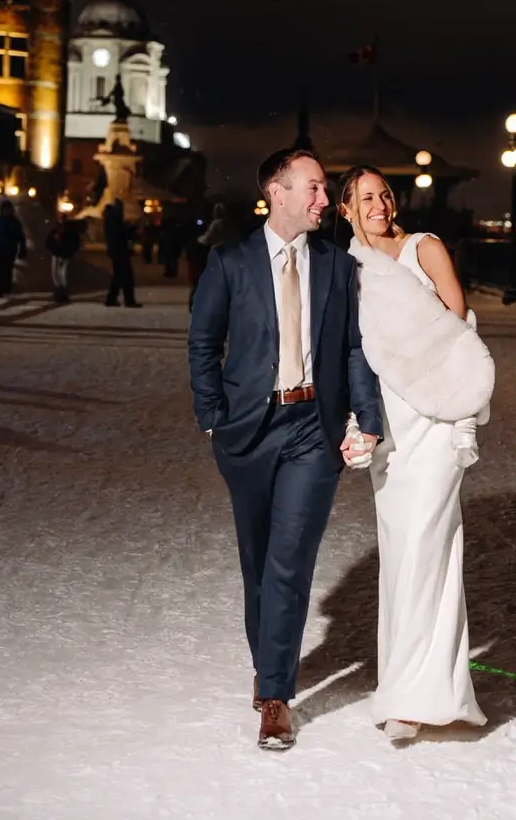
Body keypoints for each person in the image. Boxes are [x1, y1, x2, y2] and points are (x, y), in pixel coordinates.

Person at [188, 149, 383, 750]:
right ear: (278, 190)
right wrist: (214, 419)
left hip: (310, 431)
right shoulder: (229, 263)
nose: (326, 200)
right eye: (317, 189)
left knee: (290, 562)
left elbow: (352, 348)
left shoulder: (334, 264)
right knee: (258, 562)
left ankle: (275, 694)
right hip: (247, 432)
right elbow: (202, 345)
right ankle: (268, 662)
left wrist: (366, 417)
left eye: (324, 191)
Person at [338, 166, 494, 742]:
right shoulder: (350, 267)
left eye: (384, 194)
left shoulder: (423, 247)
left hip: (433, 422)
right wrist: (360, 421)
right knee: (401, 552)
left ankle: (417, 699)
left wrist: (449, 407)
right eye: (365, 197)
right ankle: (410, 687)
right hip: (391, 429)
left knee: (429, 545)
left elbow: (458, 331)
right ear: (345, 209)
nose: (379, 203)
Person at [103, 199, 141, 307]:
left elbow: (123, 232)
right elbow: (120, 231)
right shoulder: (112, 219)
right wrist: (132, 227)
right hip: (118, 251)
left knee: (120, 276)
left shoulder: (113, 219)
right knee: (125, 276)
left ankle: (113, 299)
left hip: (118, 251)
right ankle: (127, 300)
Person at [0, 200, 26, 297]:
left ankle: (7, 289)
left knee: (8, 269)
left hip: (11, 248)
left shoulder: (15, 222)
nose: (7, 211)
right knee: (0, 269)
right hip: (0, 248)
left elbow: (21, 237)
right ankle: (1, 289)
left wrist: (22, 249)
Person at [45, 216, 82, 303]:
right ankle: (59, 293)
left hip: (64, 255)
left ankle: (63, 293)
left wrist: (69, 251)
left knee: (62, 274)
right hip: (58, 254)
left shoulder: (70, 232)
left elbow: (75, 243)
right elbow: (48, 242)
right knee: (56, 274)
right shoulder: (55, 231)